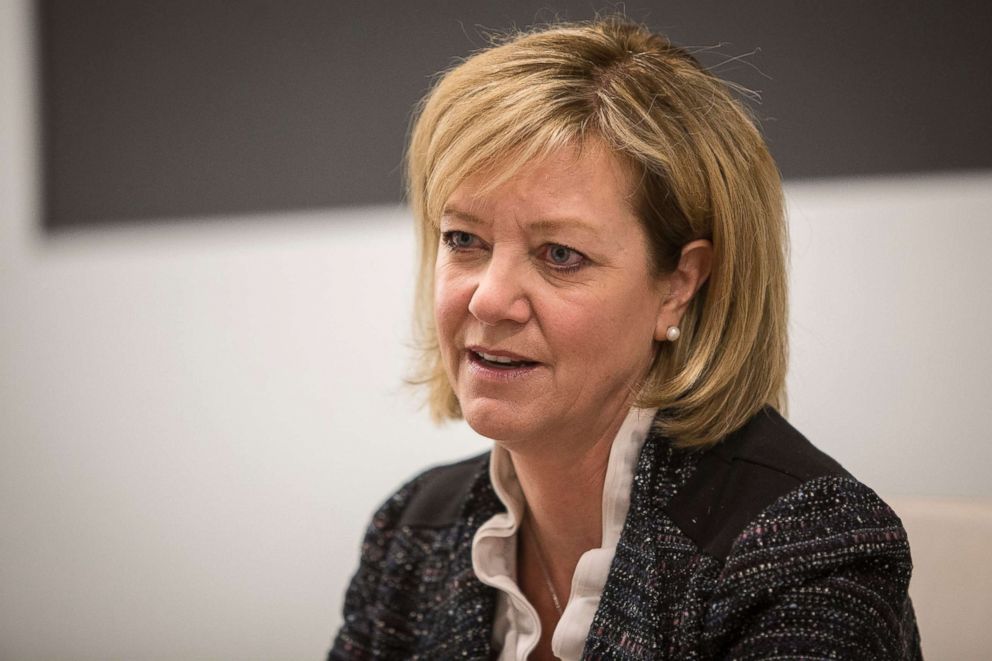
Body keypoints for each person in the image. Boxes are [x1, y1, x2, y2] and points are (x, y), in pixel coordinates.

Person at [330, 16, 922, 660]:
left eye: (560, 254)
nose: (489, 298)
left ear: (680, 285)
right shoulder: (411, 533)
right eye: (464, 240)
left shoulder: (805, 550)